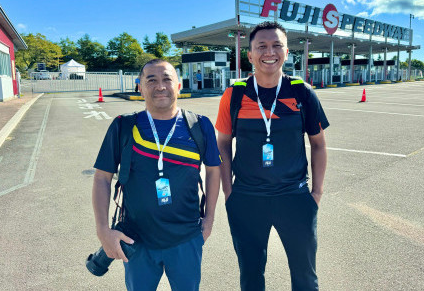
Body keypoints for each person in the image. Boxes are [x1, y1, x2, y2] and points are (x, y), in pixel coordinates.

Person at [215, 21, 329, 291]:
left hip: (295, 198)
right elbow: (222, 145)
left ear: (287, 52)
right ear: (250, 55)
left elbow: (319, 145)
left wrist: (316, 194)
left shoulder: (302, 92)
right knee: (251, 277)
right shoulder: (235, 94)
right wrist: (229, 193)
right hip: (247, 199)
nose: (270, 52)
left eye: (277, 45)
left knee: (305, 277)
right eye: (262, 46)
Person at [92, 59, 221, 291]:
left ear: (179, 86)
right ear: (140, 87)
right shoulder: (123, 126)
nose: (160, 86)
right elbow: (102, 177)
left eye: (167, 79)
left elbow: (213, 171)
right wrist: (103, 230)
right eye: (151, 80)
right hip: (136, 240)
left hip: (187, 239)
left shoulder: (200, 125)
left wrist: (209, 219)